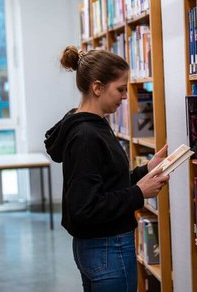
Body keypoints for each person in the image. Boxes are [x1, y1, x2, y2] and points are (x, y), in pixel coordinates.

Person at [44, 46, 170, 292]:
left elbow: (108, 182)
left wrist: (146, 170)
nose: (125, 96)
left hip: (99, 246)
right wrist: (139, 193)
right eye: (120, 89)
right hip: (106, 246)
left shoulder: (93, 125)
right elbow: (84, 207)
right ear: (97, 87)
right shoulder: (86, 136)